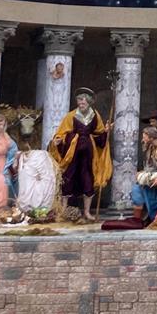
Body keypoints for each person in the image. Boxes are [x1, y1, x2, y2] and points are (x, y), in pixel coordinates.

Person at [49, 88, 111, 222]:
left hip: (88, 153)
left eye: (83, 100)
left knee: (87, 178)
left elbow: (99, 134)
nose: (81, 102)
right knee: (68, 178)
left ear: (88, 101)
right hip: (72, 152)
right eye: (79, 100)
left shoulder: (95, 115)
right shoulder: (71, 116)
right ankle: (64, 210)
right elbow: (62, 132)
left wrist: (105, 132)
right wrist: (59, 141)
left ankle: (87, 212)